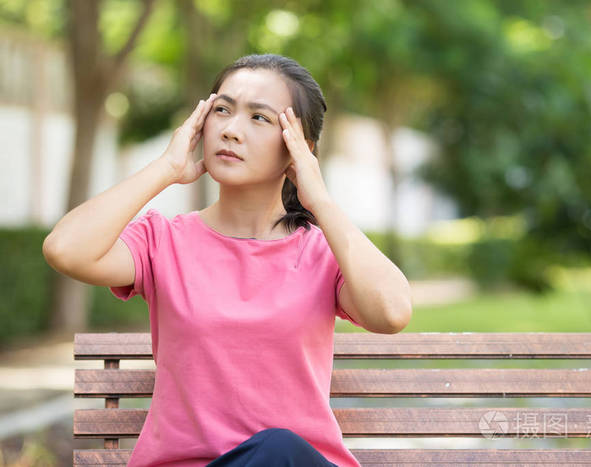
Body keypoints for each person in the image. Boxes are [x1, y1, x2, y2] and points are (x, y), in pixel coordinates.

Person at [43, 53, 412, 466]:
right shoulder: (163, 240)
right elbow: (65, 249)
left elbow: (393, 312)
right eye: (222, 109)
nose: (232, 130)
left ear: (298, 148)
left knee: (278, 449)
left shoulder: (323, 253)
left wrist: (320, 199)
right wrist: (165, 168)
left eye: (259, 118)